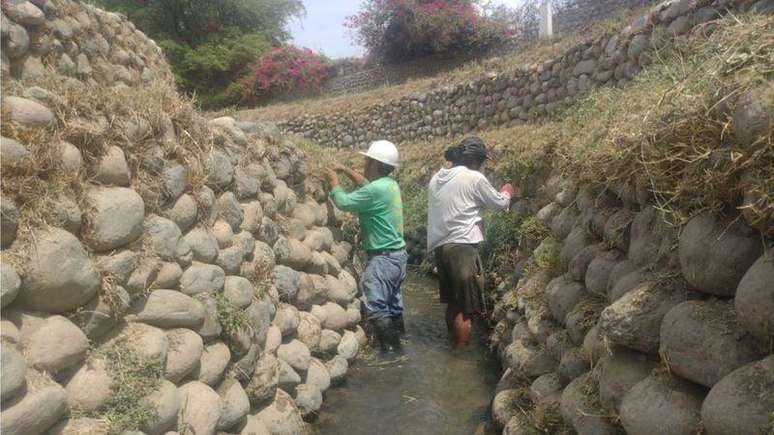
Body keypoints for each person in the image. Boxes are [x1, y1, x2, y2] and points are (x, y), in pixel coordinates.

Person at [427, 136, 515, 345]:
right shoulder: (473, 178)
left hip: (441, 249)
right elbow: (500, 203)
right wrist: (508, 189)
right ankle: (461, 358)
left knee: (453, 304)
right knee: (466, 310)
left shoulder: (437, 178)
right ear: (475, 161)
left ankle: (452, 346)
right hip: (462, 249)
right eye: (482, 163)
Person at [324, 140, 408, 352]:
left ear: (373, 163)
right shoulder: (389, 185)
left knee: (378, 308)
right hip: (398, 257)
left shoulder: (375, 191)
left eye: (366, 160)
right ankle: (401, 344)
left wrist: (334, 182)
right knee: (393, 306)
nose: (364, 163)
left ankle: (392, 354)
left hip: (382, 260)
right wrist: (345, 170)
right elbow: (366, 184)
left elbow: (343, 202)